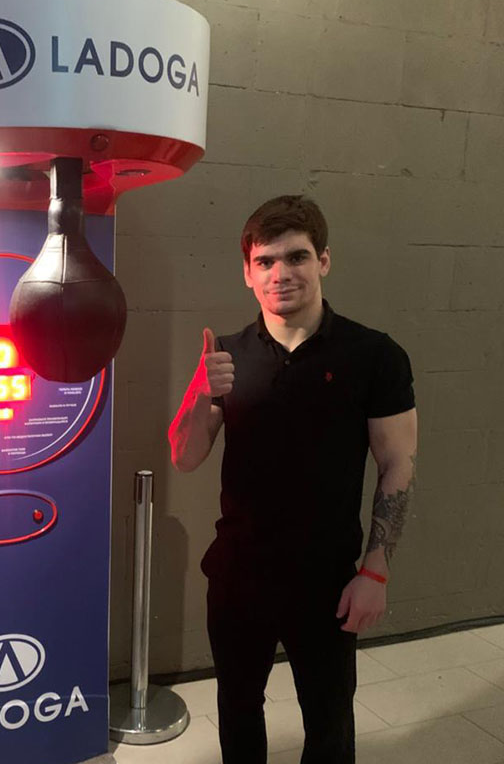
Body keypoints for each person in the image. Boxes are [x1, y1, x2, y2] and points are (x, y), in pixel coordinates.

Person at [168, 195, 417, 764]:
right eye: (265, 261)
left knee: (329, 721)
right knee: (238, 710)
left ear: (323, 260)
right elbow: (184, 456)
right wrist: (201, 393)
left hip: (326, 579)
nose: (281, 273)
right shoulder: (226, 354)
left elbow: (397, 465)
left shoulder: (374, 355)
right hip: (238, 574)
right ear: (248, 273)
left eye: (296, 257)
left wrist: (375, 571)